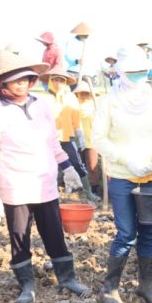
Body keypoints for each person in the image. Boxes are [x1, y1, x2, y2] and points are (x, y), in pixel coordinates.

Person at [0, 49, 87, 303]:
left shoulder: (41, 106)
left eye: (25, 78)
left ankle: (67, 278)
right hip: (14, 186)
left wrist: (67, 167)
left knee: (54, 233)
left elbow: (53, 142)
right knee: (19, 236)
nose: (22, 83)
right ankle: (26, 284)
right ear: (1, 83)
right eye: (15, 80)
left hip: (44, 183)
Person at [92, 46, 152, 303]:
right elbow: (98, 138)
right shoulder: (109, 102)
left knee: (149, 232)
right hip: (123, 176)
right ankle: (110, 287)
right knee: (126, 233)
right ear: (120, 72)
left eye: (141, 71)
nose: (138, 75)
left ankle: (146, 286)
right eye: (132, 71)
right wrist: (127, 160)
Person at [39, 66, 99, 202]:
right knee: (50, 166)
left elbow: (76, 119)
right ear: (50, 81)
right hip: (48, 138)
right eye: (55, 80)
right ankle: (52, 195)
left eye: (61, 80)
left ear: (65, 82)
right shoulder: (44, 99)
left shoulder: (71, 98)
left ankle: (88, 192)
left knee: (77, 164)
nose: (57, 83)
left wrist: (79, 135)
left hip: (67, 136)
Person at [73, 81, 101, 196]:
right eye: (81, 93)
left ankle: (95, 189)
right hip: (77, 140)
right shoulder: (74, 105)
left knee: (92, 166)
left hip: (91, 140)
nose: (84, 95)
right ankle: (81, 189)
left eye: (86, 93)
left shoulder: (95, 106)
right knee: (79, 165)